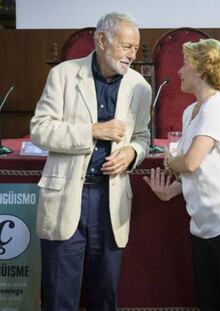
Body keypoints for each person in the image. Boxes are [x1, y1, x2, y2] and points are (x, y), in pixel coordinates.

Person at [30, 12, 151, 311]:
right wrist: (92, 131)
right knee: (59, 297)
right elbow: (40, 129)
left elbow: (143, 137)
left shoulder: (139, 86)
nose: (132, 55)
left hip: (110, 202)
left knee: (104, 296)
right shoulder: (63, 75)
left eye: (135, 48)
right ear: (101, 40)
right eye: (126, 46)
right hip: (66, 197)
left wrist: (133, 153)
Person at [143, 38, 220, 311]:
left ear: (201, 68)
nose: (180, 71)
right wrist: (170, 190)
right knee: (208, 302)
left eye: (184, 64)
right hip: (202, 223)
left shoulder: (218, 106)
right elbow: (199, 170)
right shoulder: (189, 112)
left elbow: (192, 161)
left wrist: (170, 163)